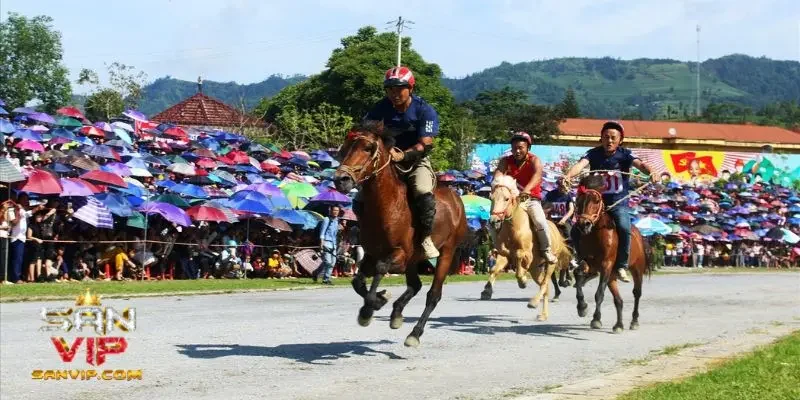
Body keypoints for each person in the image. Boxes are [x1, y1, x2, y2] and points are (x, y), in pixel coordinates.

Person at [561, 120, 657, 282]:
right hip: (596, 204)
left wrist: (651, 172)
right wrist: (568, 175)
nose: (609, 141)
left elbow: (640, 165)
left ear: (620, 140)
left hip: (618, 202)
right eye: (606, 137)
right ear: (601, 138)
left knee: (624, 227)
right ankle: (579, 258)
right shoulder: (592, 153)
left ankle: (621, 265)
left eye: (613, 137)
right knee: (576, 228)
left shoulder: (626, 154)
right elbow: (580, 165)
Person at [363, 66, 440, 259]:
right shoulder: (380, 108)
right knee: (360, 198)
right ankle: (365, 234)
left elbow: (426, 143)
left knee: (423, 192)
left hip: (416, 162)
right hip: (387, 161)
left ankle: (425, 238)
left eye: (399, 88)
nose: (394, 93)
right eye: (389, 89)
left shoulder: (424, 110)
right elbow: (366, 132)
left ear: (410, 88)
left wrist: (403, 156)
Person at [492, 131, 557, 264]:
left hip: (530, 199)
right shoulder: (506, 161)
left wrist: (526, 190)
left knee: (540, 221)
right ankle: (498, 247)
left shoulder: (534, 160)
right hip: (511, 200)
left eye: (521, 147)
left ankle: (546, 249)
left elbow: (537, 175)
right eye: (514, 147)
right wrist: (497, 183)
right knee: (492, 219)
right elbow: (498, 173)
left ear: (528, 148)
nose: (517, 151)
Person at [315, 205, 340, 284]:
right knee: (328, 262)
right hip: (326, 243)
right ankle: (326, 279)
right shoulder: (326, 219)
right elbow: (322, 232)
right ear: (331, 211)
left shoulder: (336, 221)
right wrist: (321, 243)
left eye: (337, 210)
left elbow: (335, 234)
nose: (336, 212)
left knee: (332, 262)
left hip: (334, 244)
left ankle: (316, 273)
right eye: (334, 210)